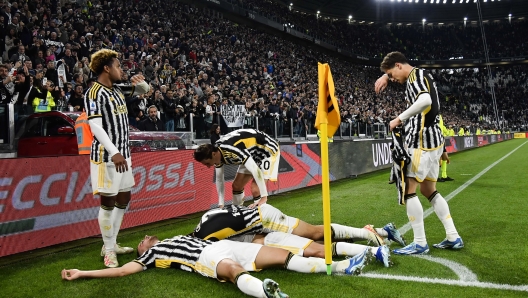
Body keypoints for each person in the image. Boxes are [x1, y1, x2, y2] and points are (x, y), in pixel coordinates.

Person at [61, 234, 373, 298]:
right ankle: (267, 293)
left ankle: (344, 266)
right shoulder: (151, 256)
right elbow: (122, 270)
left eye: (145, 238)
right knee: (232, 271)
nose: (145, 239)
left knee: (282, 256)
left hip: (222, 246)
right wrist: (83, 272)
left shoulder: (180, 235)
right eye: (143, 240)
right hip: (205, 260)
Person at [374, 51, 463, 255]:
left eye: (392, 73)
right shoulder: (424, 75)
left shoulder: (415, 77)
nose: (394, 80)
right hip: (434, 142)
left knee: (409, 189)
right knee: (428, 190)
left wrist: (399, 118)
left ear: (398, 65)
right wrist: (386, 76)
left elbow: (425, 102)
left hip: (420, 141)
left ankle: (420, 242)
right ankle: (453, 235)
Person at [85, 49, 150, 268]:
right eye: (118, 66)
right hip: (107, 157)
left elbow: (145, 90)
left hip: (124, 155)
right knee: (108, 202)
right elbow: (95, 126)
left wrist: (141, 81)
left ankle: (110, 242)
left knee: (124, 199)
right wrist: (114, 152)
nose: (121, 70)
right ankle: (109, 250)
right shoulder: (94, 93)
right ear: (106, 68)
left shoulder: (117, 89)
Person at [193, 204, 406, 249]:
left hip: (265, 219)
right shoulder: (205, 217)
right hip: (260, 217)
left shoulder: (206, 240)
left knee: (313, 233)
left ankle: (366, 234)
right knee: (314, 238)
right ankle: (382, 231)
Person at [193, 129, 280, 209]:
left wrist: (264, 196)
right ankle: (237, 212)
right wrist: (221, 204)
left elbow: (254, 169)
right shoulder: (216, 153)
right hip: (251, 153)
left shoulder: (232, 149)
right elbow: (219, 179)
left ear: (213, 154)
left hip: (267, 150)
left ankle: (262, 217)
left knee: (256, 189)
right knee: (237, 186)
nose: (208, 166)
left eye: (207, 163)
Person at [437, 115, 453, 182]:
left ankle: (444, 175)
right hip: (435, 138)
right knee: (436, 159)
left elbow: (442, 127)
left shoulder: (439, 116)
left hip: (441, 139)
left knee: (445, 158)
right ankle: (435, 176)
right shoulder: (431, 113)